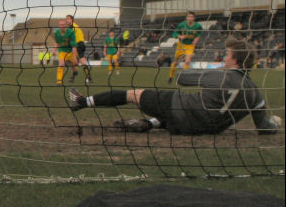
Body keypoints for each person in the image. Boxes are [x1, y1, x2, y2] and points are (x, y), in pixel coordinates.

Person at [68, 39, 282, 136]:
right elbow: (264, 128)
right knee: (183, 113)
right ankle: (149, 124)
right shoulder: (255, 94)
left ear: (235, 60)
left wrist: (205, 74)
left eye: (227, 55)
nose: (224, 58)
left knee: (134, 94)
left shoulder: (220, 76)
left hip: (180, 111)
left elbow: (181, 79)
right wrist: (275, 122)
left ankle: (83, 102)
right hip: (204, 130)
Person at [169, 11, 203, 84]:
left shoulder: (198, 26)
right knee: (175, 62)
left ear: (194, 18)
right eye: (188, 17)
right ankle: (171, 76)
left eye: (191, 17)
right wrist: (180, 36)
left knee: (187, 61)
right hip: (181, 45)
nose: (190, 18)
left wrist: (196, 39)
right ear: (186, 18)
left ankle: (184, 76)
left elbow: (200, 33)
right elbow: (175, 33)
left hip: (190, 45)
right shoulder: (181, 25)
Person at [66, 15, 92, 84]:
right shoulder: (75, 26)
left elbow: (69, 38)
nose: (67, 20)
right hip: (80, 44)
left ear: (72, 20)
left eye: (69, 19)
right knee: (70, 59)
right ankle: (75, 75)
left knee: (80, 60)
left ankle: (88, 77)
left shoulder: (72, 27)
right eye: (66, 19)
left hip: (78, 44)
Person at [51, 19, 78, 85]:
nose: (62, 26)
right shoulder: (56, 33)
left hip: (70, 52)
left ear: (66, 25)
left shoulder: (71, 33)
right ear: (58, 25)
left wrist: (74, 58)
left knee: (73, 66)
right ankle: (59, 81)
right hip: (62, 51)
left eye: (63, 25)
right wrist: (54, 50)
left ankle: (75, 72)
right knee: (61, 64)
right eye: (60, 25)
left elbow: (74, 46)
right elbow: (57, 42)